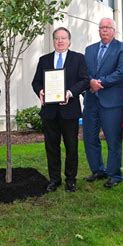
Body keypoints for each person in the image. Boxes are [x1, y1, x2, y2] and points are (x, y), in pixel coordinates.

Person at [31, 27, 89, 192]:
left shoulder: (78, 58)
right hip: (49, 111)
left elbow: (85, 80)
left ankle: (71, 179)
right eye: (57, 38)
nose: (60, 41)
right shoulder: (44, 60)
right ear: (53, 40)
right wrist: (40, 91)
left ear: (69, 41)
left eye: (64, 38)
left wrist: (69, 93)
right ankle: (54, 179)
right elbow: (36, 82)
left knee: (71, 147)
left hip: (69, 110)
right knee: (51, 147)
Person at [83, 18, 123, 188]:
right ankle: (98, 170)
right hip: (91, 101)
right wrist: (90, 82)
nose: (104, 30)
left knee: (113, 140)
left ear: (114, 30)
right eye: (101, 27)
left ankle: (115, 174)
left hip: (112, 101)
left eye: (107, 27)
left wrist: (99, 82)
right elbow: (84, 72)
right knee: (89, 137)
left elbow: (122, 71)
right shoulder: (89, 50)